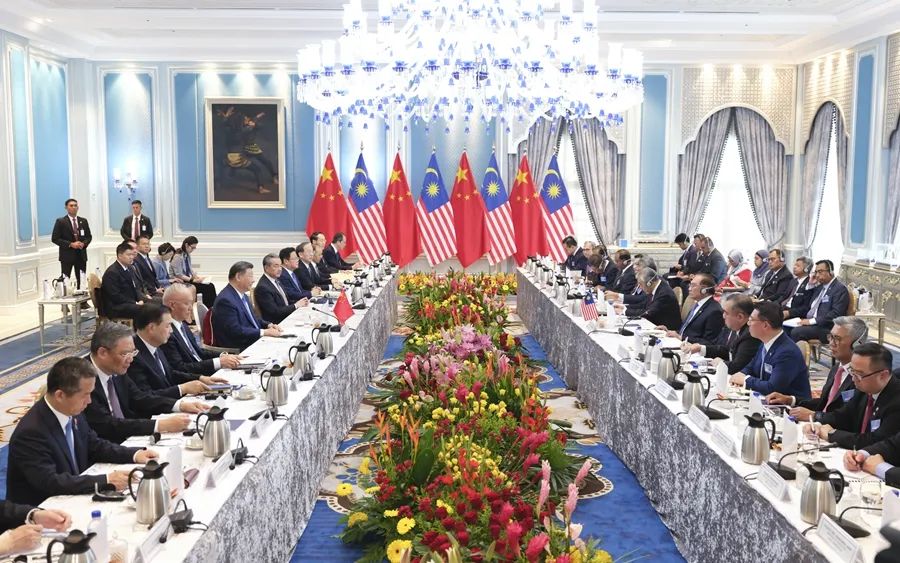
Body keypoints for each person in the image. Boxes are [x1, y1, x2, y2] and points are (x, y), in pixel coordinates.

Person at [7, 357, 158, 505]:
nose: (89, 401)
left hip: (72, 495)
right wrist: (106, 480)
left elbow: (94, 445)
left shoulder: (71, 410)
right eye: (85, 395)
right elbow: (51, 481)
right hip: (44, 509)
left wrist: (134, 454)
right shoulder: (31, 432)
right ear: (60, 395)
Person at [83, 322, 200, 443]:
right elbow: (106, 424)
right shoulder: (83, 379)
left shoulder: (116, 368)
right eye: (124, 354)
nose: (131, 359)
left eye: (133, 352)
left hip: (128, 438)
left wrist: (179, 405)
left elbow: (140, 398)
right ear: (102, 353)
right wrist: (159, 425)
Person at [767, 316, 868, 421]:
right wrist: (790, 400)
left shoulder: (862, 376)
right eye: (831, 337)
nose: (831, 343)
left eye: (837, 339)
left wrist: (815, 416)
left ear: (857, 344)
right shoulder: (837, 369)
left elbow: (848, 418)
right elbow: (826, 403)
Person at [804, 343, 900, 450]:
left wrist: (832, 434)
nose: (853, 379)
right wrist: (818, 425)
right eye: (852, 371)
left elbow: (876, 441)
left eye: (859, 374)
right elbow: (843, 416)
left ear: (883, 375)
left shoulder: (896, 401)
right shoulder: (864, 388)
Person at [128, 303, 211, 399]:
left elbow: (170, 374)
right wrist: (182, 389)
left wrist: (200, 378)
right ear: (151, 328)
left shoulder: (154, 344)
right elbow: (146, 397)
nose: (171, 331)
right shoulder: (133, 356)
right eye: (167, 326)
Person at [730, 301, 811, 398]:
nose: (748, 323)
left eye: (751, 320)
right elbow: (751, 366)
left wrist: (745, 380)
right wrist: (741, 374)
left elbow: (773, 388)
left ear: (765, 325)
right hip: (765, 398)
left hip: (789, 405)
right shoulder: (766, 341)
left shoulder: (787, 352)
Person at [161, 284, 242, 376]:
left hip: (204, 372)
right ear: (172, 305)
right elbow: (180, 368)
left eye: (191, 303)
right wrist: (218, 362)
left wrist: (223, 356)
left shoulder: (182, 325)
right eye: (187, 303)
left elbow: (198, 352)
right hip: (195, 378)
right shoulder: (167, 333)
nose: (190, 308)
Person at [211, 261, 283, 350]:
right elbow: (235, 331)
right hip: (240, 347)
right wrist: (264, 332)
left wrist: (268, 325)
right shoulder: (225, 300)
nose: (253, 280)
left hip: (252, 340)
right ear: (238, 277)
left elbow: (252, 318)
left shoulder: (242, 295)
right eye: (250, 276)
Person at [684, 294, 761, 374]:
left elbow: (737, 367)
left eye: (726, 313)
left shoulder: (750, 335)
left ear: (740, 317)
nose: (723, 316)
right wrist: (700, 348)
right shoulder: (736, 327)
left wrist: (720, 363)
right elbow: (727, 350)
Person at [787, 259, 850, 343]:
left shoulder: (839, 289)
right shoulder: (819, 287)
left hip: (826, 327)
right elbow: (807, 304)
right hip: (811, 322)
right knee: (785, 326)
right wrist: (810, 285)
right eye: (816, 272)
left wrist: (811, 321)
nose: (817, 275)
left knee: (796, 332)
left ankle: (795, 351)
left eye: (820, 272)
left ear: (830, 272)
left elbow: (836, 314)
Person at [662, 274, 724, 346]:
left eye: (693, 285)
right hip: (682, 344)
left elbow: (709, 343)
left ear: (704, 290)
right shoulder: (697, 304)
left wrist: (681, 338)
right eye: (690, 285)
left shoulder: (714, 311)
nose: (689, 289)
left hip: (692, 349)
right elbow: (688, 331)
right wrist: (670, 331)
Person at [255, 253, 310, 324]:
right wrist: (296, 305)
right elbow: (275, 312)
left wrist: (301, 303)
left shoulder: (277, 280)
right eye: (276, 266)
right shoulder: (263, 287)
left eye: (280, 266)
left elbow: (286, 302)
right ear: (266, 268)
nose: (280, 269)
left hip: (288, 317)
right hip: (278, 323)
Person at [51, 198, 92, 290]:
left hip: (81, 255)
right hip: (67, 256)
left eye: (75, 205)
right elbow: (55, 239)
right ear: (66, 207)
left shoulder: (83, 221)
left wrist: (84, 244)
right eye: (71, 205)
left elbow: (89, 237)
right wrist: (70, 244)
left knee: (81, 280)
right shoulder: (61, 221)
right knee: (65, 280)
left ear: (78, 207)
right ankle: (65, 298)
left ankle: (82, 298)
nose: (74, 207)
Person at [101, 241, 144, 320]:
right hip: (116, 306)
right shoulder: (112, 272)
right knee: (145, 310)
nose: (132, 257)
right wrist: (135, 303)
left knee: (153, 306)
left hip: (128, 302)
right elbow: (115, 296)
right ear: (120, 256)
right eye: (129, 255)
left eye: (132, 254)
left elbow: (134, 287)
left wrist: (140, 299)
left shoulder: (129, 268)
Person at [171, 236, 217, 308]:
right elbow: (178, 274)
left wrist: (197, 277)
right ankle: (209, 307)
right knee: (207, 288)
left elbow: (189, 269)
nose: (193, 250)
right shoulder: (178, 257)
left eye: (194, 248)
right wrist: (193, 280)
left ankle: (213, 306)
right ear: (186, 245)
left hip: (188, 279)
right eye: (192, 248)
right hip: (180, 281)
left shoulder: (187, 255)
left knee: (211, 285)